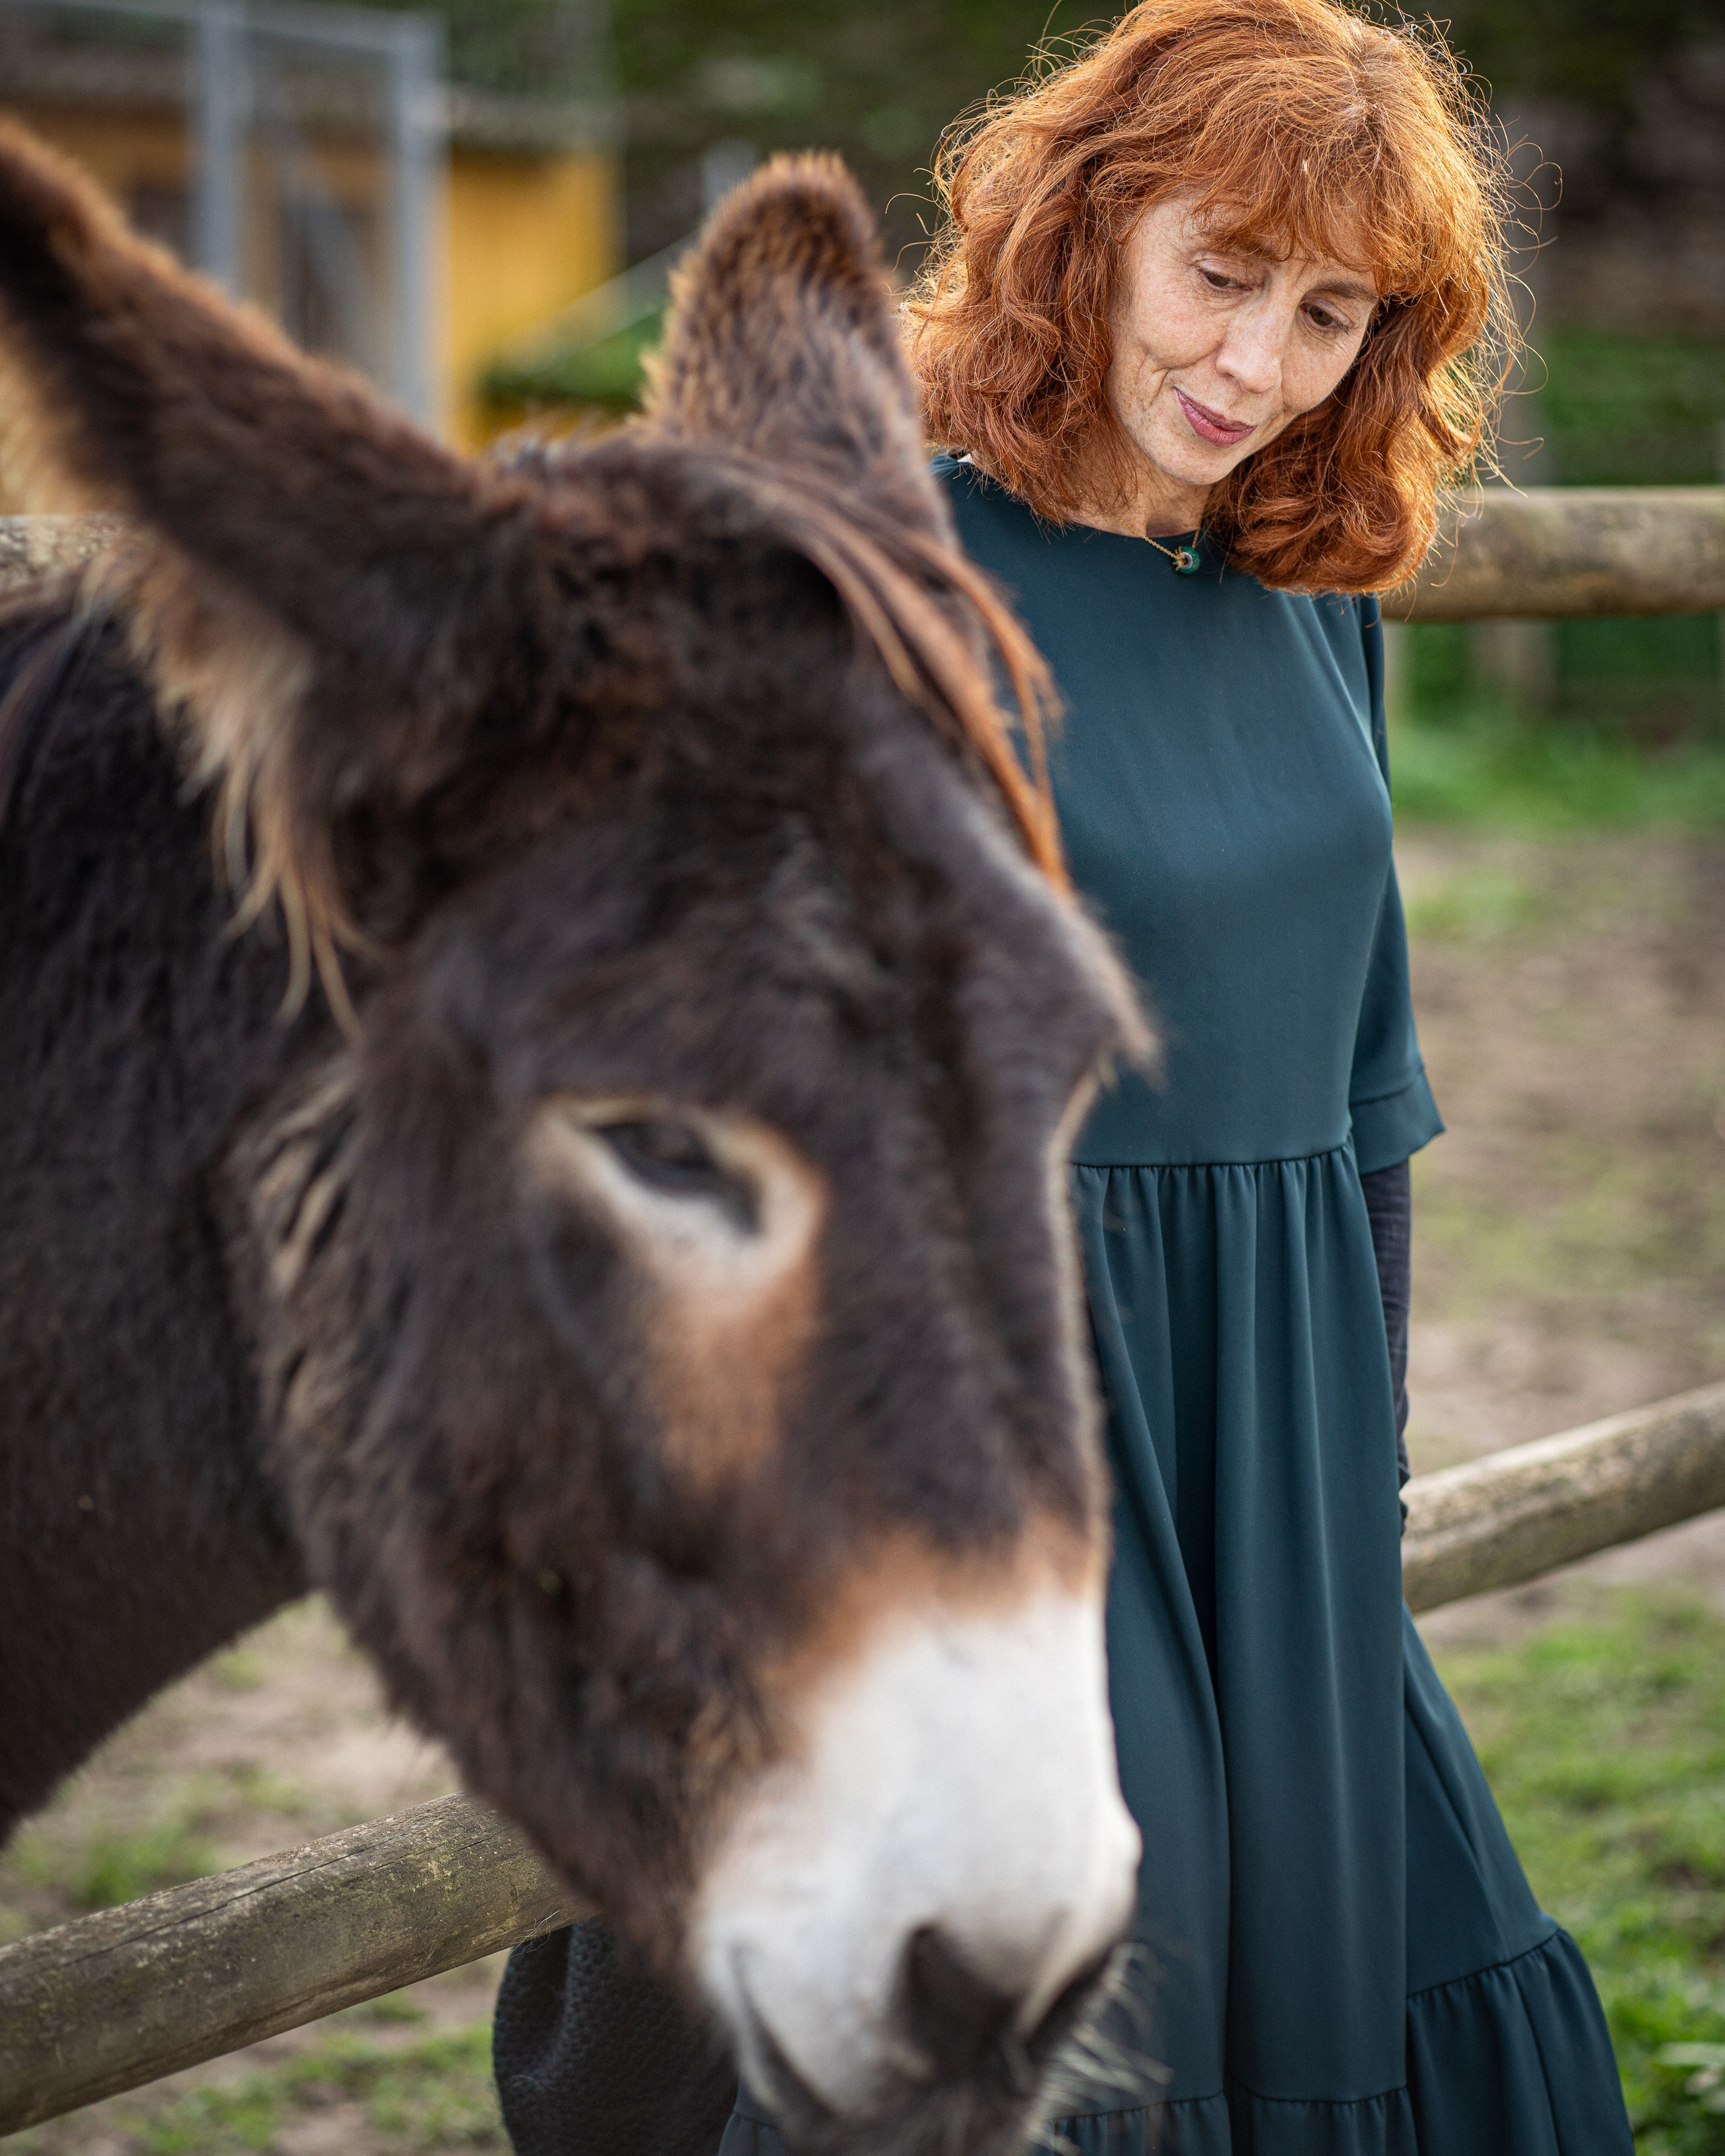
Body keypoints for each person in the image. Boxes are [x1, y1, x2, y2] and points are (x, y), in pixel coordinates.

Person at [492, 2, 1635, 2149]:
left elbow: (1365, 1102)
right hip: (999, 1455)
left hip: (1282, 1452)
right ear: (1092, 227)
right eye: (1221, 270)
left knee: (1383, 1988)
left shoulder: (1312, 606)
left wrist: (1354, 1496)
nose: (1258, 363)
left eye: (1327, 313)